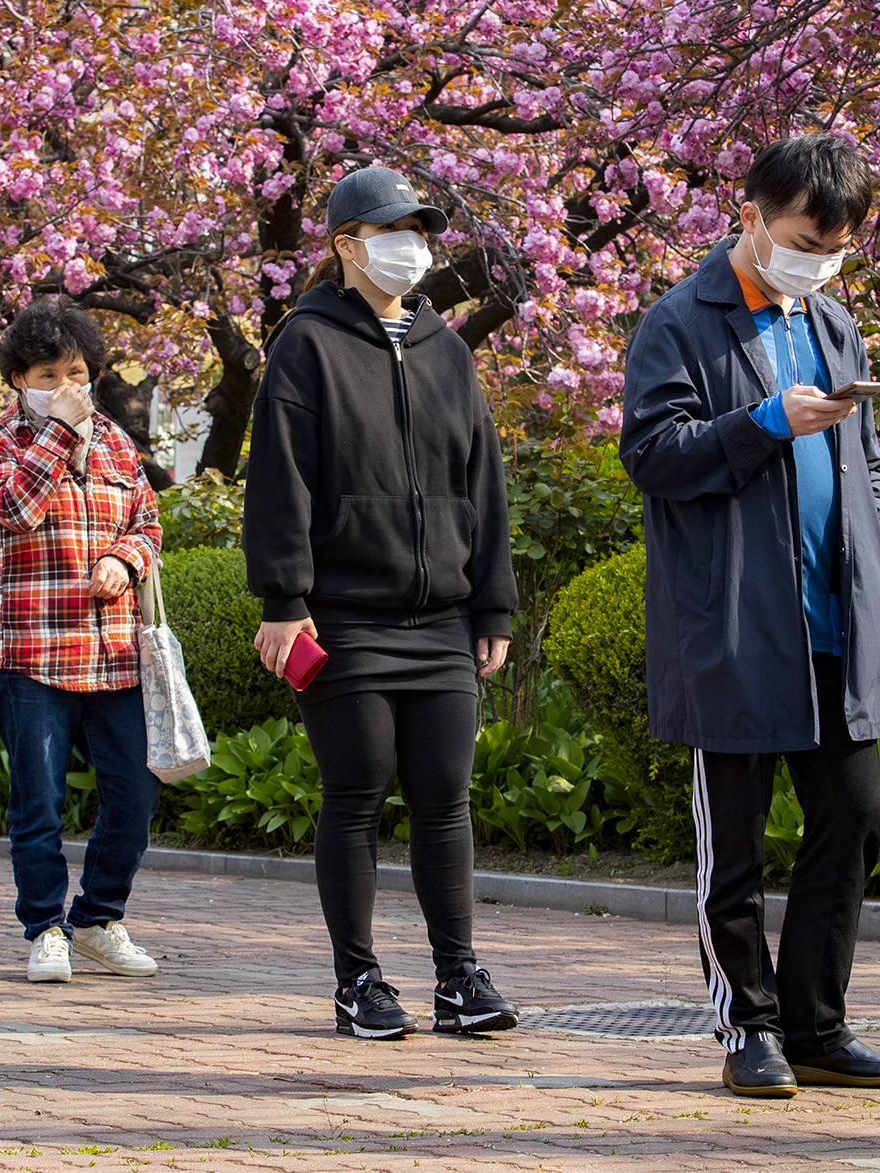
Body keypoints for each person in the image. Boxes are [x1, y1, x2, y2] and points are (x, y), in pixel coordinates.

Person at [618, 134, 880, 1098]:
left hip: (832, 621)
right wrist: (762, 424)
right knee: (734, 839)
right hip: (736, 623)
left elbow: (864, 459)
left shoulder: (833, 322)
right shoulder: (682, 321)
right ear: (750, 215)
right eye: (802, 237)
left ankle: (817, 1023)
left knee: (854, 820)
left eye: (835, 247)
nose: (818, 260)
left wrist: (867, 539)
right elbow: (654, 455)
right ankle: (746, 1023)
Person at [245, 166, 520, 1040]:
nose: (413, 243)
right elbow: (278, 481)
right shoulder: (306, 343)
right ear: (347, 244)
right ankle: (358, 981)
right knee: (355, 791)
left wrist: (493, 604)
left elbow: (484, 480)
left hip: (441, 615)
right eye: (394, 227)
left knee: (445, 795)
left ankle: (458, 977)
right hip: (344, 615)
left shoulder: (447, 348)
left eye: (420, 226)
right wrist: (284, 599)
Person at [0, 297, 164, 985]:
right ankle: (44, 926)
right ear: (19, 378)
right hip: (31, 652)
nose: (66, 384)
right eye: (48, 373)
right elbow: (14, 511)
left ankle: (98, 916)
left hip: (113, 649)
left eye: (77, 371)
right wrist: (57, 433)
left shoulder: (115, 439)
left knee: (137, 793)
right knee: (39, 800)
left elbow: (149, 523)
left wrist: (127, 559)